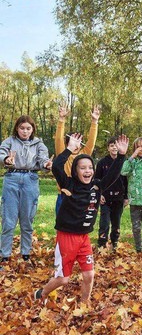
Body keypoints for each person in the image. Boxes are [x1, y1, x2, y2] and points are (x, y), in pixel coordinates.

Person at [34, 133, 129, 304]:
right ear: (75, 171)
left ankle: (84, 304)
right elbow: (56, 167)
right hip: (67, 237)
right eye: (82, 168)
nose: (87, 171)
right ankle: (42, 293)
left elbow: (113, 174)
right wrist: (69, 149)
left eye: (90, 168)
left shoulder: (97, 186)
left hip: (84, 238)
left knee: (89, 274)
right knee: (63, 279)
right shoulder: (68, 184)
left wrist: (121, 156)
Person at [0, 116, 52, 264]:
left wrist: (47, 164)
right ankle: (5, 254)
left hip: (30, 180)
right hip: (12, 179)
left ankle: (25, 253)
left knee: (27, 219)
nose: (25, 131)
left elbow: (43, 159)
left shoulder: (38, 144)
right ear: (17, 128)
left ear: (32, 129)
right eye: (22, 128)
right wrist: (6, 159)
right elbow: (1, 153)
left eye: (28, 128)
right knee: (8, 220)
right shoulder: (9, 141)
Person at [54, 104, 100, 214]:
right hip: (63, 194)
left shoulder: (83, 154)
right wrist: (61, 119)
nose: (76, 144)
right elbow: (58, 139)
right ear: (67, 142)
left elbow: (91, 142)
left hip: (80, 194)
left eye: (78, 140)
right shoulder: (63, 152)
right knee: (62, 224)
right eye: (73, 140)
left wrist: (94, 122)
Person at [95, 136, 128, 249]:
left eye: (116, 145)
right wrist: (100, 194)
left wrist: (126, 197)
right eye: (112, 145)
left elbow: (126, 181)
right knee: (104, 222)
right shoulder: (102, 163)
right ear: (108, 148)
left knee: (116, 222)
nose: (114, 147)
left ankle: (114, 242)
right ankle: (102, 243)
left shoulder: (124, 162)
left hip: (118, 198)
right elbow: (97, 180)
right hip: (105, 198)